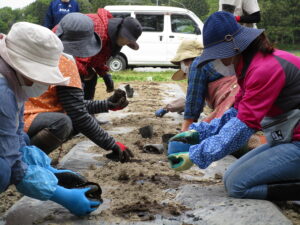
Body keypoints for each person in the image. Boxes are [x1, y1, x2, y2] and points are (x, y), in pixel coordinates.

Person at [168, 11, 300, 201]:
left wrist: (196, 156)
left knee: (237, 185)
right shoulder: (249, 67)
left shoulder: (263, 70)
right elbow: (236, 113)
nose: (216, 62)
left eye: (217, 56)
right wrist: (199, 133)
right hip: (287, 138)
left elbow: (243, 127)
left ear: (232, 49)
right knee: (231, 177)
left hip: (296, 141)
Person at [0, 22, 101, 216]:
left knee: (25, 140)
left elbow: (15, 135)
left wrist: (47, 169)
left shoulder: (13, 82)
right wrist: (59, 194)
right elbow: (12, 164)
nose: (45, 85)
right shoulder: (3, 90)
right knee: (3, 170)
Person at [24, 13, 134, 163]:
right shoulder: (66, 63)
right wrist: (112, 144)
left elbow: (73, 104)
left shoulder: (45, 53)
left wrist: (107, 104)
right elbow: (78, 114)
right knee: (64, 123)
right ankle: (25, 160)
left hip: (18, 117)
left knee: (69, 118)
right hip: (24, 121)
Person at [75, 8, 142, 100]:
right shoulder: (100, 32)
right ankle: (82, 109)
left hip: (73, 56)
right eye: (128, 39)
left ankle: (86, 109)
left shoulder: (109, 36)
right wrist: (78, 88)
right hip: (59, 52)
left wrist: (104, 74)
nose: (127, 43)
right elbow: (80, 60)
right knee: (84, 79)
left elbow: (95, 57)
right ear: (121, 32)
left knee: (91, 77)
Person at [155, 39, 203, 118]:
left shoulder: (199, 73)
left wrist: (169, 107)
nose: (182, 64)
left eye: (186, 60)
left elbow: (192, 102)